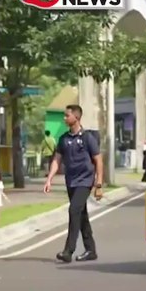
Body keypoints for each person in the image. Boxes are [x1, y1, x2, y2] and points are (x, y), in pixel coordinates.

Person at [44, 105, 104, 263]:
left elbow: (98, 160)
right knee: (81, 214)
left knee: (73, 210)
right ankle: (91, 250)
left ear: (76, 117)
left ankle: (68, 251)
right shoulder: (63, 139)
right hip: (71, 181)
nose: (64, 118)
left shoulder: (87, 138)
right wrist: (49, 179)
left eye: (67, 115)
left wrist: (98, 185)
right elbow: (57, 160)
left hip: (85, 181)